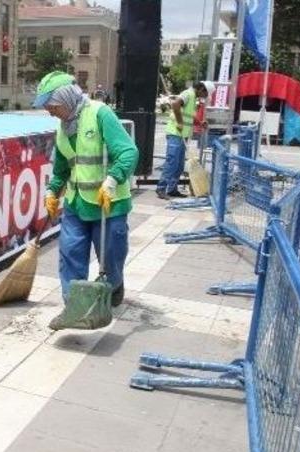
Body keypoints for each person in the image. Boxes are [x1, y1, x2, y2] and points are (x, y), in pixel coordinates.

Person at [34, 71, 138, 308]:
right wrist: (52, 191)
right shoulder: (62, 127)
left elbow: (128, 151)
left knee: (111, 256)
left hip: (108, 204)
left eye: (52, 106)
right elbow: (62, 169)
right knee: (70, 252)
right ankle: (75, 303)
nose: (49, 112)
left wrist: (112, 180)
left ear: (66, 98)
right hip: (76, 204)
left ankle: (114, 286)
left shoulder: (100, 113)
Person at [155, 80, 215, 199]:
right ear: (202, 89)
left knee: (179, 165)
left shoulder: (193, 98)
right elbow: (175, 104)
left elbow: (188, 116)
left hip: (182, 135)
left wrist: (199, 122)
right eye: (205, 94)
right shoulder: (188, 94)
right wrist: (179, 122)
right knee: (172, 162)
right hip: (175, 133)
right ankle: (161, 188)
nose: (204, 97)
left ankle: (172, 189)